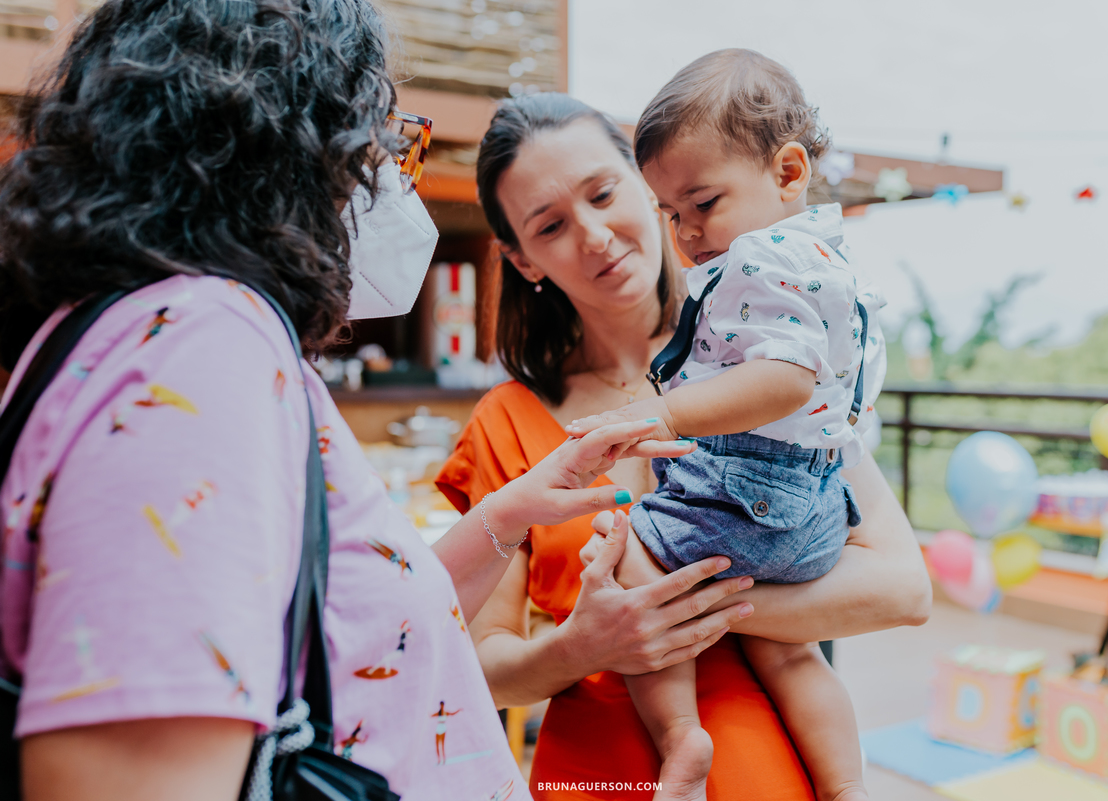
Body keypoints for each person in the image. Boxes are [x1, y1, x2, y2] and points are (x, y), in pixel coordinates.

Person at [0, 2, 728, 799]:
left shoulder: (163, 332)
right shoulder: (200, 347)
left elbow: (354, 628)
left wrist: (509, 513)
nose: (390, 177)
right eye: (381, 139)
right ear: (287, 147)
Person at [436, 92, 932, 800]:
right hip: (599, 777)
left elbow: (903, 589)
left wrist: (665, 610)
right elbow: (483, 666)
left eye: (605, 193)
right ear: (523, 260)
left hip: (782, 772)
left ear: (648, 186)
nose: (596, 235)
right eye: (550, 226)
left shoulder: (759, 366)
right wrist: (584, 645)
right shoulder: (506, 422)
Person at [565, 49, 881, 801]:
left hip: (752, 488)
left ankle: (680, 737)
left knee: (629, 547)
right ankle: (846, 786)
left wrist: (661, 411)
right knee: (795, 655)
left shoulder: (762, 256)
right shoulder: (822, 260)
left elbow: (783, 380)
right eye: (672, 212)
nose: (687, 231)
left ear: (789, 171)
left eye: (703, 202)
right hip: (811, 509)